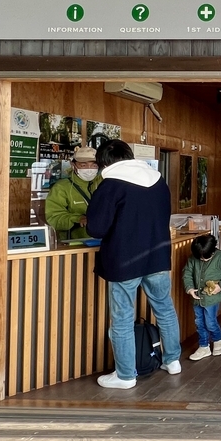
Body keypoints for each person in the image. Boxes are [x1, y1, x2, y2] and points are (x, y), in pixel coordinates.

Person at [86, 139, 182, 389]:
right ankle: (173, 361)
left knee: (122, 318)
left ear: (103, 162)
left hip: (124, 261)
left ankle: (126, 375)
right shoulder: (159, 181)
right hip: (158, 258)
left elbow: (97, 228)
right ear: (129, 155)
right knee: (165, 309)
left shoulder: (110, 186)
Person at [182, 233, 221, 361]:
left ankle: (218, 341)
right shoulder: (193, 258)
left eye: (205, 257)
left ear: (213, 251)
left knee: (210, 322)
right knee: (199, 322)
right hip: (197, 297)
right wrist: (190, 288)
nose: (202, 259)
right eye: (199, 257)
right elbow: (187, 273)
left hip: (212, 297)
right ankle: (203, 346)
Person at [44, 146, 100, 240]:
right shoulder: (61, 187)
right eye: (83, 165)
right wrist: (77, 218)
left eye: (94, 165)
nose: (89, 169)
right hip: (75, 244)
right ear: (73, 165)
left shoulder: (103, 183)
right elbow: (54, 218)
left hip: (103, 243)